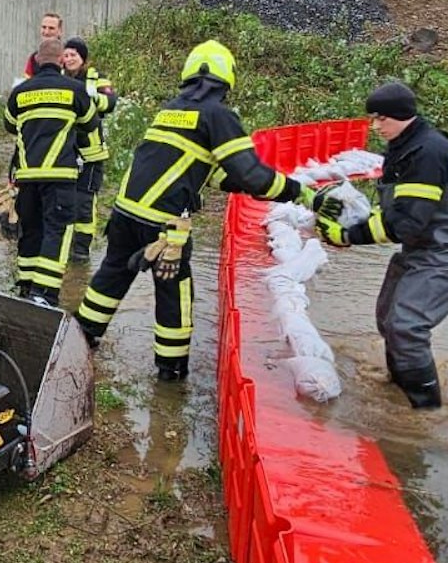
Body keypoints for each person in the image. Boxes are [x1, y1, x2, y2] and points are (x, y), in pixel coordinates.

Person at [76, 41, 303, 382]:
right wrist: (300, 192)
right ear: (226, 79)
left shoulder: (171, 109)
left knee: (111, 275)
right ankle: (171, 371)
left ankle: (81, 338)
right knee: (174, 294)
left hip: (125, 212)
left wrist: (242, 182)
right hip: (162, 223)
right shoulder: (218, 115)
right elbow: (251, 175)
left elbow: (206, 172)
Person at [315, 81, 448, 409]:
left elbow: (406, 223)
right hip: (423, 245)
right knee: (388, 317)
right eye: (373, 120)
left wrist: (348, 236)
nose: (376, 127)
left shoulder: (428, 152)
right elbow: (397, 212)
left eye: (381, 120)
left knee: (407, 325)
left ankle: (426, 412)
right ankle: (398, 383)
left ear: (402, 116)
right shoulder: (405, 146)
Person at [4, 38, 97, 305]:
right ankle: (44, 294)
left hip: (27, 176)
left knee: (31, 228)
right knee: (57, 230)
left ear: (36, 61)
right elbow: (89, 123)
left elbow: (10, 125)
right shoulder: (74, 90)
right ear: (60, 62)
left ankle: (26, 286)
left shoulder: (20, 92)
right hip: (60, 176)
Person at [61, 37, 118, 263]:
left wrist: (89, 97)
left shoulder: (96, 78)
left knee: (84, 202)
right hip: (64, 151)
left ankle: (81, 248)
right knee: (64, 198)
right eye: (66, 55)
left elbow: (110, 102)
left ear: (82, 57)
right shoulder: (59, 79)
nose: (69, 59)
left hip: (91, 153)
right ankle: (65, 242)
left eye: (74, 55)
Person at [24, 12, 63, 76]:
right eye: (44, 27)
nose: (46, 32)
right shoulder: (33, 58)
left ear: (60, 31)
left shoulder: (68, 56)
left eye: (51, 28)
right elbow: (27, 80)